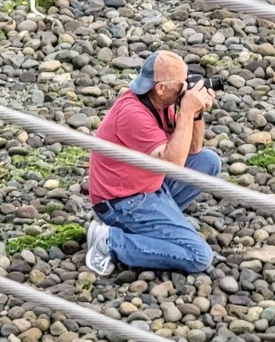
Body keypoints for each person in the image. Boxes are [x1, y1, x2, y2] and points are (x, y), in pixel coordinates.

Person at [82, 50, 220, 275]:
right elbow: (172, 165)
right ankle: (109, 241)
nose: (185, 88)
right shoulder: (133, 114)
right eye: (181, 84)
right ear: (161, 88)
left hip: (149, 185)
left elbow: (194, 149)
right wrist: (186, 111)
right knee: (199, 256)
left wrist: (196, 114)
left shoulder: (159, 103)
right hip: (123, 202)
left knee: (208, 162)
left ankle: (159, 226)